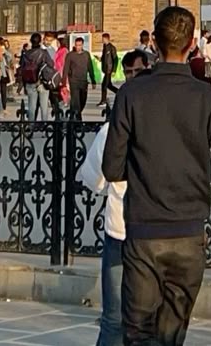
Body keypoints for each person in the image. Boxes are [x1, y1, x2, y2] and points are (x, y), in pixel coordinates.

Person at [103, 6, 211, 346]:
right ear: (192, 44)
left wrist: (145, 169)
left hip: (144, 229)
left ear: (154, 42)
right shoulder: (209, 98)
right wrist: (195, 168)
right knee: (170, 334)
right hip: (188, 231)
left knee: (138, 333)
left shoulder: (132, 94)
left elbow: (111, 167)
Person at [78, 51, 150, 346]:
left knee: (115, 318)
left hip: (122, 228)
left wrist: (112, 187)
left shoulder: (112, 130)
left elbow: (92, 179)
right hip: (161, 231)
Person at [18, 32, 55, 122]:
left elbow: (21, 68)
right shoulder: (44, 53)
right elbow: (51, 64)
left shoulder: (26, 54)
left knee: (32, 106)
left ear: (31, 41)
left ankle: (31, 125)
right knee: (44, 106)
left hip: (30, 82)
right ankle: (44, 125)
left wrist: (22, 83)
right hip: (42, 82)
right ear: (40, 41)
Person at [64, 37, 96, 118]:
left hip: (83, 81)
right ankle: (78, 121)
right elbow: (65, 69)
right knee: (76, 102)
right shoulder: (70, 55)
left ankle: (73, 115)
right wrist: (64, 83)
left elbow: (90, 67)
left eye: (80, 45)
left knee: (83, 101)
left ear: (82, 45)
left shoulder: (86, 54)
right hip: (74, 81)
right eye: (77, 45)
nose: (78, 47)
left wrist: (93, 80)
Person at [100, 33, 118, 105]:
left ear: (106, 39)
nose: (102, 40)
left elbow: (115, 59)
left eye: (103, 39)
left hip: (109, 69)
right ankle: (119, 92)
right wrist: (100, 59)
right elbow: (104, 57)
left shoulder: (111, 48)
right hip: (106, 69)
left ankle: (103, 100)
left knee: (104, 85)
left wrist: (114, 70)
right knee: (109, 85)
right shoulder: (104, 47)